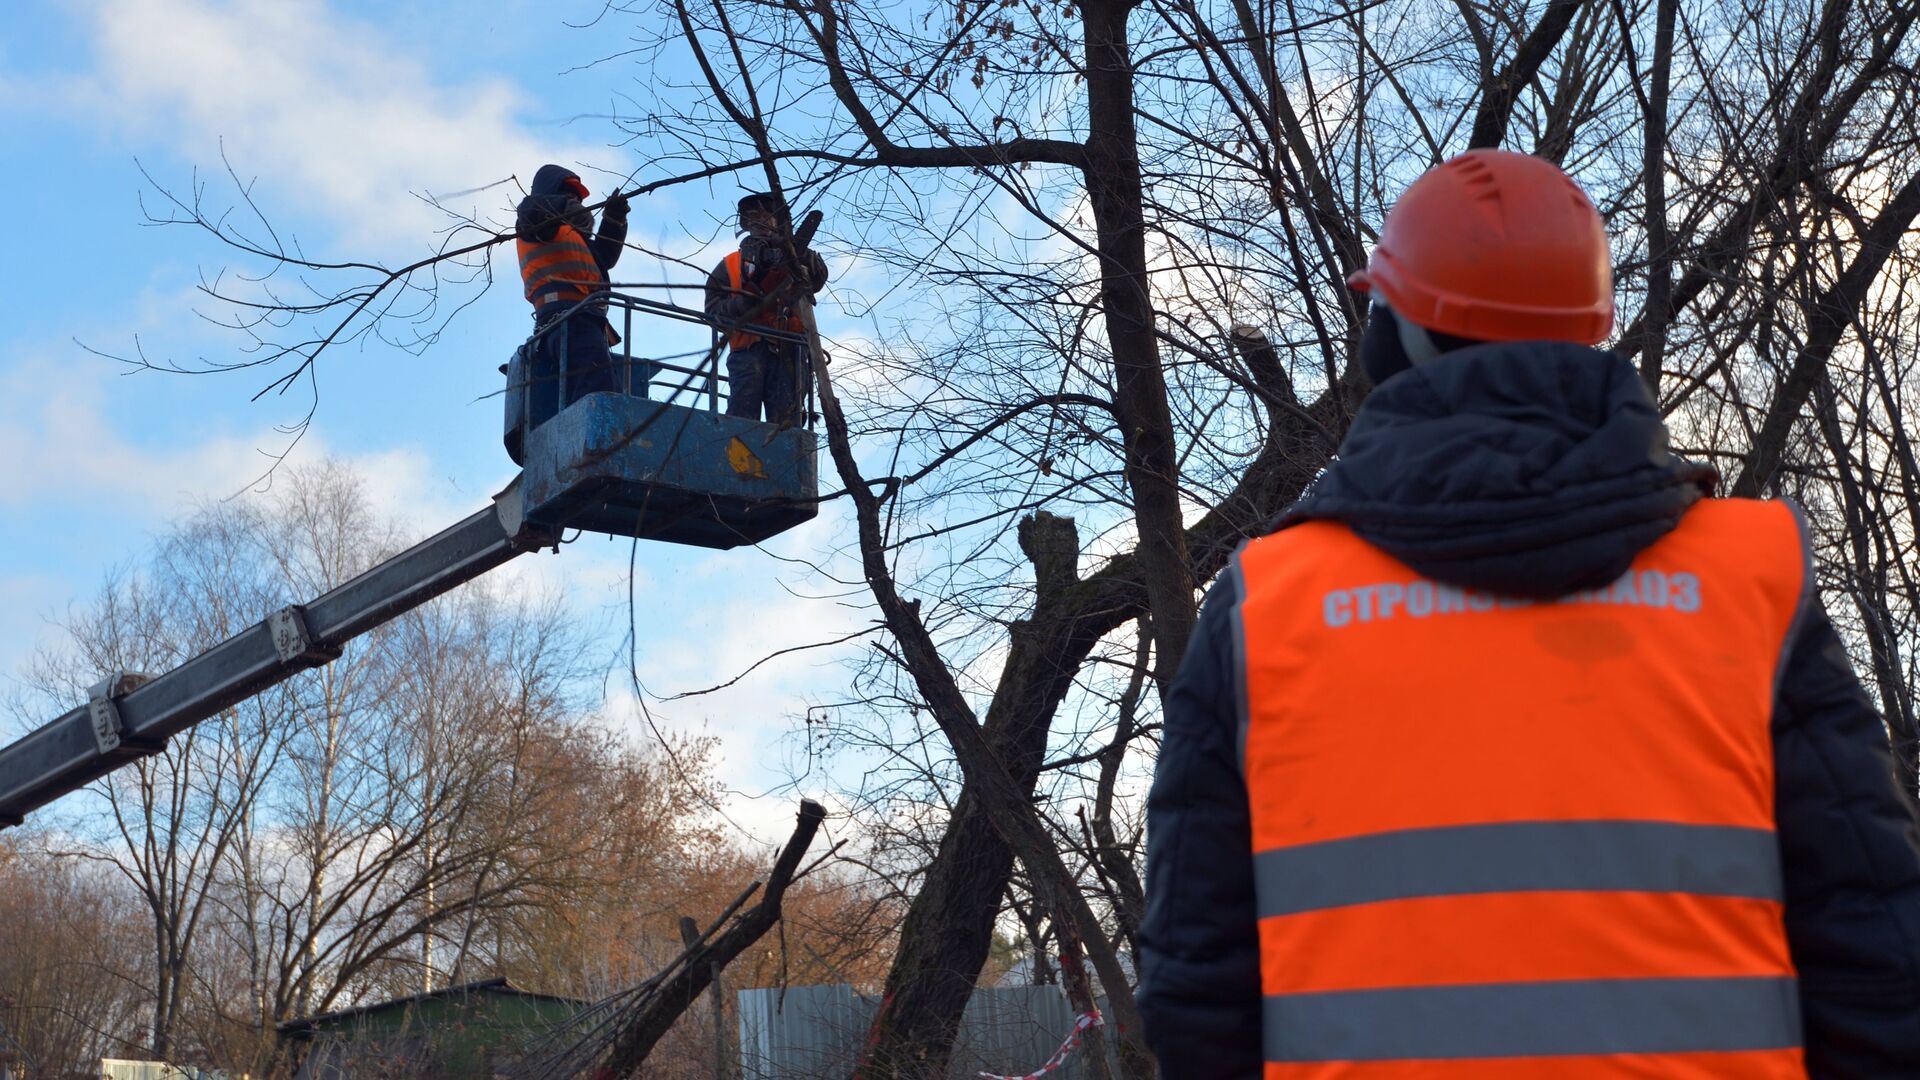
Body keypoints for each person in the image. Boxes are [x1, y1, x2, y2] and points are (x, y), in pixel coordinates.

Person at [1138, 149, 1920, 1079]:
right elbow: (1879, 956)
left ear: (1396, 337)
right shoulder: (1752, 576)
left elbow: (1195, 994)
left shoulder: (1267, 606)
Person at [515, 164, 629, 435]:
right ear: (552, 193)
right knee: (596, 384)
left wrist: (614, 219)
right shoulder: (536, 219)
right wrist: (568, 208)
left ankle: (591, 441)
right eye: (568, 193)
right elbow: (533, 209)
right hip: (567, 318)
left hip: (581, 320)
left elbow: (604, 257)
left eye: (576, 196)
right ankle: (598, 444)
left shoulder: (566, 231)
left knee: (597, 381)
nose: (576, 200)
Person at [704, 192, 828, 427]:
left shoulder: (796, 257)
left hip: (791, 349)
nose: (761, 221)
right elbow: (713, 315)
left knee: (787, 422)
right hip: (747, 350)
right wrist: (743, 303)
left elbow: (818, 279)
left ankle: (785, 460)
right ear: (745, 224)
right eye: (753, 217)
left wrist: (800, 259)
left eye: (768, 216)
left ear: (778, 221)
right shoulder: (729, 265)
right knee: (741, 416)